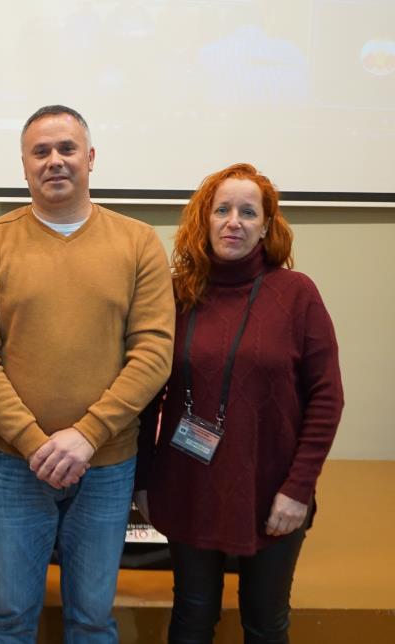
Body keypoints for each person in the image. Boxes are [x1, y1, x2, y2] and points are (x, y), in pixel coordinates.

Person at [0, 104, 175, 642]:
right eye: (41, 151)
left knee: (93, 619)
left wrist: (86, 436)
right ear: (24, 166)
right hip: (12, 464)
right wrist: (34, 442)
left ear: (90, 158)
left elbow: (153, 352)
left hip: (107, 463)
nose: (55, 161)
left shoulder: (139, 242)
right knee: (9, 618)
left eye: (67, 149)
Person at [134, 163, 344, 643]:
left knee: (265, 623)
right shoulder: (177, 293)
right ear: (203, 219)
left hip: (272, 493)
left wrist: (299, 489)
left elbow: (327, 397)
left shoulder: (297, 295)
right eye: (223, 209)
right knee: (191, 616)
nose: (234, 221)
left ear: (267, 225)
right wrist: (144, 480)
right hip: (187, 484)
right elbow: (148, 394)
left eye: (249, 212)